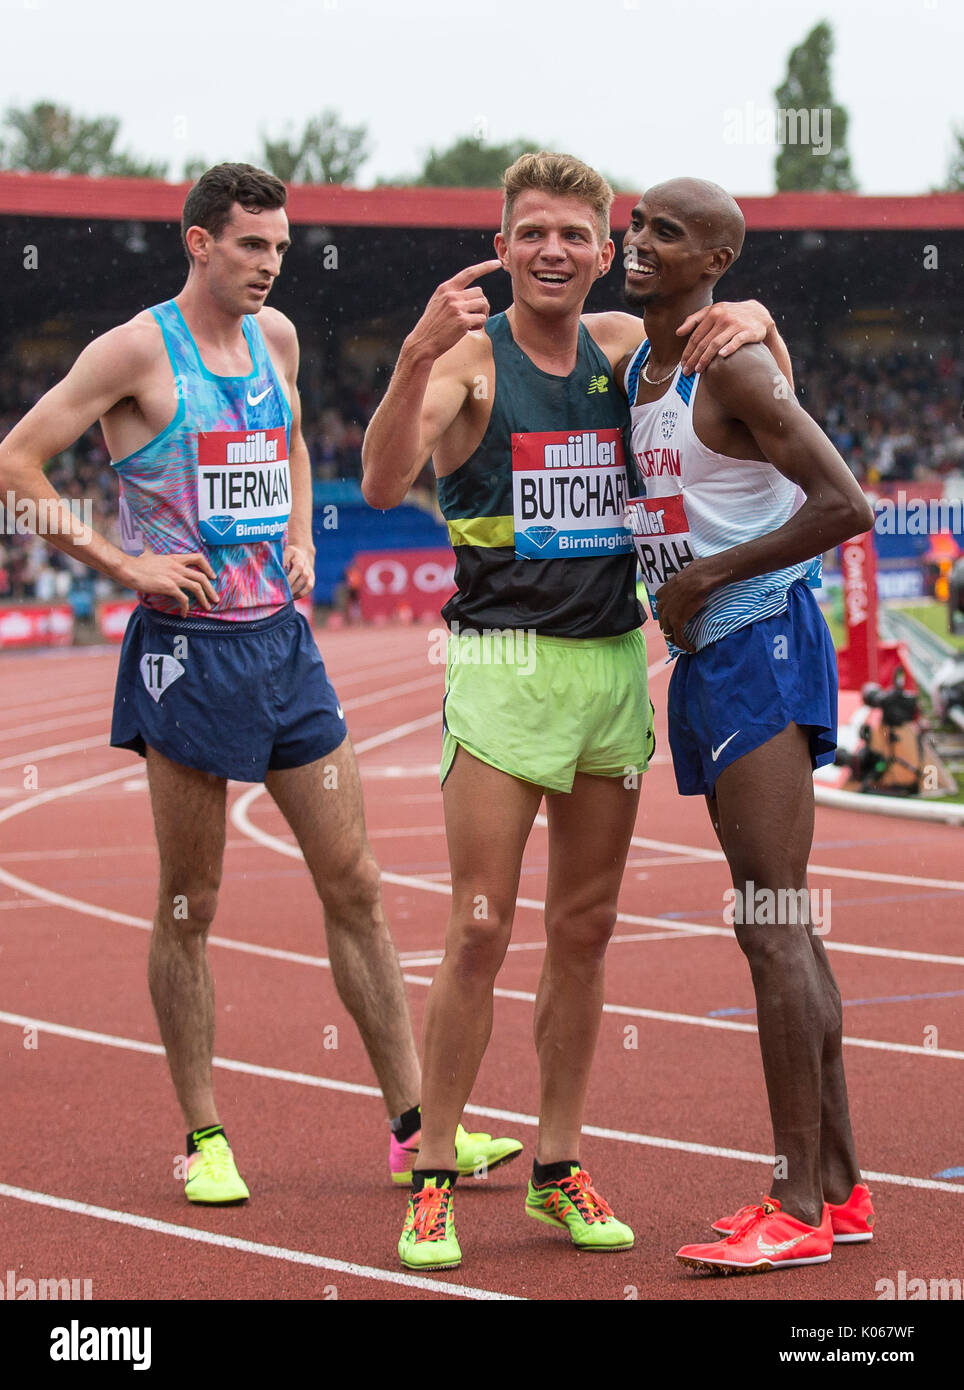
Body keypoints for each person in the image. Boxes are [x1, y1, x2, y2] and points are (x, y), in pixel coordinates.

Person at [0, 162, 521, 1204]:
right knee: (192, 904)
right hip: (186, 657)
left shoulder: (276, 340)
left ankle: (418, 1128)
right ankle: (204, 1136)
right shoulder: (136, 350)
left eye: (281, 248)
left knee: (359, 883)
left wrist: (294, 535)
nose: (270, 266)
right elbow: (17, 461)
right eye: (251, 246)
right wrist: (128, 567)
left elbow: (281, 445)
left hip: (283, 648)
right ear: (198, 241)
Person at [362, 151, 790, 1270]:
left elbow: (745, 345)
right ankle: (436, 1166)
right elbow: (377, 481)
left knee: (585, 931)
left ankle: (557, 1164)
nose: (554, 250)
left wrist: (746, 310)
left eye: (577, 234)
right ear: (502, 245)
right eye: (532, 232)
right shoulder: (465, 359)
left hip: (610, 665)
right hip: (503, 664)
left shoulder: (622, 347)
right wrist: (412, 356)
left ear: (608, 251)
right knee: (478, 926)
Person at [618, 177, 876, 1273]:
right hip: (709, 654)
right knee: (777, 924)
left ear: (716, 257)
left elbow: (845, 504)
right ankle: (842, 1189)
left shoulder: (733, 361)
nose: (637, 245)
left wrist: (707, 575)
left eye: (665, 235)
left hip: (759, 636)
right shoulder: (643, 357)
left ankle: (795, 1205)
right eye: (635, 226)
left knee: (772, 923)